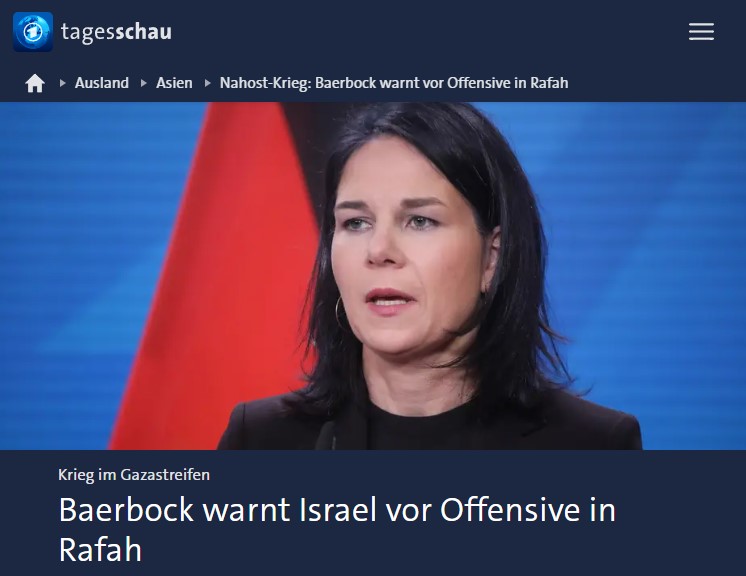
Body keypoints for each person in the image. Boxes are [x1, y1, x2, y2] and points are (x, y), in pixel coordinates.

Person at [217, 102, 642, 450]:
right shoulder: (260, 441)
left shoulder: (592, 446)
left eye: (420, 221)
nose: (379, 251)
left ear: (492, 258)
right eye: (356, 223)